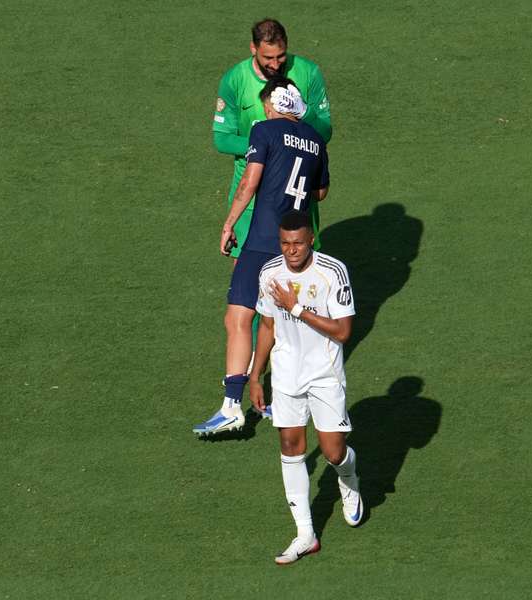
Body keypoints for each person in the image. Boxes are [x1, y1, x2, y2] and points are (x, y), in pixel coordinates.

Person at [193, 77, 329, 436]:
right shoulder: (316, 140)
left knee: (238, 317)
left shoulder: (264, 130)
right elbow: (321, 192)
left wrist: (228, 224)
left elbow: (249, 182)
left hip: (263, 240)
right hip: (296, 246)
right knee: (282, 326)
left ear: (271, 104)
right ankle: (285, 402)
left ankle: (231, 406)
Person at [250, 210, 362, 564]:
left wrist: (296, 308)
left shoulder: (332, 272)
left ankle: (349, 478)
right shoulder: (270, 273)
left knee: (333, 453)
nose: (291, 250)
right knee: (290, 445)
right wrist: (255, 375)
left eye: (298, 243)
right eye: (285, 243)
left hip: (324, 375)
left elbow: (343, 332)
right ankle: (305, 534)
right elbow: (267, 326)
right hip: (286, 373)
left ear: (311, 238)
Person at [212, 18, 332, 259]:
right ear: (253, 48)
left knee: (299, 269)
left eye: (281, 56)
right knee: (247, 268)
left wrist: (305, 112)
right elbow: (222, 139)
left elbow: (325, 132)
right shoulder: (235, 79)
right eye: (268, 58)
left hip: (298, 195)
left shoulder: (308, 73)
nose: (275, 64)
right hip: (251, 199)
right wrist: (268, 145)